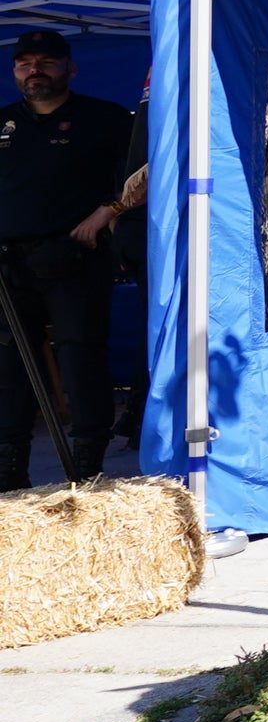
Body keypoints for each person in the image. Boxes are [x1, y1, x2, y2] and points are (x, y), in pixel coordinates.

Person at [0, 31, 139, 489]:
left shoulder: (106, 119)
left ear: (70, 68)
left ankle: (86, 466)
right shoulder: (3, 123)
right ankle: (10, 469)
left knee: (81, 358)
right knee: (10, 364)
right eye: (24, 62)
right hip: (9, 263)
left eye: (46, 61)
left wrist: (108, 212)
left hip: (75, 257)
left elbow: (146, 171)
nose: (34, 69)